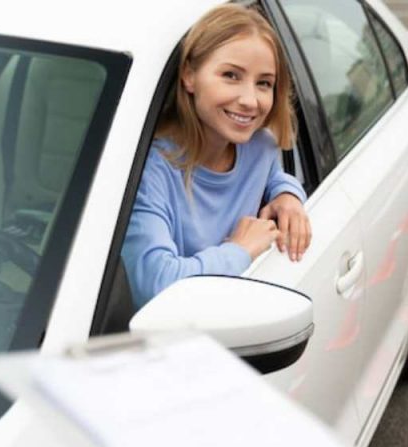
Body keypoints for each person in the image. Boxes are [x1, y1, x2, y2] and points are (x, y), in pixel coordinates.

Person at [122, 5, 312, 310]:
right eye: (231, 75)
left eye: (264, 83)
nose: (250, 100)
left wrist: (288, 194)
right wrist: (238, 251)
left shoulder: (260, 145)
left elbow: (274, 174)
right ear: (189, 76)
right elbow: (155, 286)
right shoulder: (149, 171)